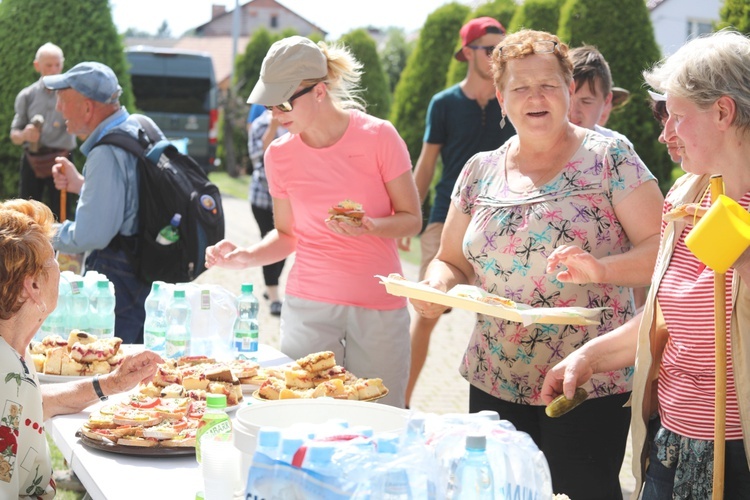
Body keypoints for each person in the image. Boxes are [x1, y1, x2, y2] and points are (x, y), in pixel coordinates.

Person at [410, 29, 664, 499]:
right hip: (494, 377)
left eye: (548, 84)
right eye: (519, 88)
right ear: (501, 101)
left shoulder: (610, 158)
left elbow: (664, 252)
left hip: (584, 381)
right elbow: (452, 261)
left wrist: (603, 269)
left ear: (569, 91)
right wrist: (436, 288)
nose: (535, 97)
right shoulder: (478, 169)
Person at [542, 30, 750, 499]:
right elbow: (663, 317)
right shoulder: (686, 196)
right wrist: (588, 358)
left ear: (723, 112)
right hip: (671, 444)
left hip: (738, 456)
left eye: (677, 117)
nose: (664, 133)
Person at [206, 36, 422, 408]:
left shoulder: (379, 137)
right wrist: (246, 256)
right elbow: (288, 234)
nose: (275, 113)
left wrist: (371, 226)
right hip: (308, 305)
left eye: (285, 102)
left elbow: (411, 220)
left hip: (378, 307)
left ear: (319, 91)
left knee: (379, 417)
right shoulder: (279, 155)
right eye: (270, 104)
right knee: (299, 413)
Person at [0, 198, 161, 499]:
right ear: (32, 286)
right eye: (54, 258)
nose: (60, 267)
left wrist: (110, 383)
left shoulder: (12, 354)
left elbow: (29, 404)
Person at [403, 16, 516, 408]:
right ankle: (401, 402)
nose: (497, 57)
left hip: (505, 222)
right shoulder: (444, 103)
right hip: (444, 219)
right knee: (428, 308)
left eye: (503, 49)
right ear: (467, 52)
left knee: (507, 313)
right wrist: (410, 213)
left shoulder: (514, 98)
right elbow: (426, 163)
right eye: (490, 49)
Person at [44, 62, 166, 344]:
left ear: (88, 108)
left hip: (118, 277)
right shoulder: (137, 126)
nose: (59, 108)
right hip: (142, 267)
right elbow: (130, 199)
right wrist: (81, 186)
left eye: (63, 99)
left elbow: (92, 235)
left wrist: (44, 231)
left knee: (107, 367)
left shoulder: (106, 152)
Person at [9, 43, 76, 221]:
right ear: (37, 66)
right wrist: (25, 135)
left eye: (58, 65)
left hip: (62, 159)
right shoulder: (27, 95)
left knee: (61, 214)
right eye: (48, 65)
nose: (54, 70)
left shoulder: (72, 94)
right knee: (26, 213)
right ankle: (27, 249)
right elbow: (14, 135)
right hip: (33, 159)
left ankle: (59, 250)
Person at [248, 108, 288, 315]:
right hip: (263, 197)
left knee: (287, 242)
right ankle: (274, 295)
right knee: (269, 240)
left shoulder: (294, 122)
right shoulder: (259, 125)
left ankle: (271, 285)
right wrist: (272, 128)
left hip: (289, 198)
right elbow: (259, 158)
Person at [568, 45, 633, 148]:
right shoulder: (536, 145)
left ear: (606, 101)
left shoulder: (617, 148)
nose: (573, 112)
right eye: (567, 99)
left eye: (586, 101)